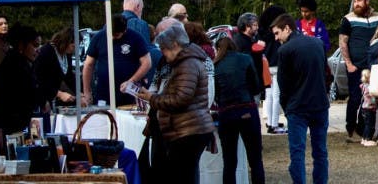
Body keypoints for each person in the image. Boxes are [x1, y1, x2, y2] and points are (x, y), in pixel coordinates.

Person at [133, 21, 214, 184]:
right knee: (184, 175)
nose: (162, 53)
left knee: (183, 176)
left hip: (188, 130)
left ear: (175, 45)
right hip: (188, 128)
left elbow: (180, 99)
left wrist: (151, 98)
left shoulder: (188, 64)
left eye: (164, 49)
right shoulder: (186, 62)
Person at [272, 13, 329, 184]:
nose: (276, 38)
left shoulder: (285, 50)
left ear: (287, 28)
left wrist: (287, 106)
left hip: (298, 108)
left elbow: (284, 83)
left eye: (277, 33)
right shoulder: (317, 43)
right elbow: (326, 73)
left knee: (297, 153)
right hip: (319, 105)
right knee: (320, 152)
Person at [213, 36, 265, 184]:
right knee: (255, 159)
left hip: (227, 112)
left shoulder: (216, 65)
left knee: (229, 162)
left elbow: (216, 93)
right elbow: (255, 86)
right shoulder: (245, 59)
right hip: (246, 108)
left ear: (218, 49)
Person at [338, 0, 378, 143]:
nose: (356, 3)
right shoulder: (348, 20)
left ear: (367, 1)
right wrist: (349, 64)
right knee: (355, 98)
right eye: (354, 1)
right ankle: (350, 128)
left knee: (370, 98)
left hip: (373, 67)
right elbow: (343, 42)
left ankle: (363, 128)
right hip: (355, 66)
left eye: (359, 0)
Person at [82, 13, 152, 107]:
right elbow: (88, 65)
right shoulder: (98, 38)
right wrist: (87, 91)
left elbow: (147, 63)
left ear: (124, 30)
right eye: (111, 33)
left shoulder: (135, 38)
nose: (112, 37)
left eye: (116, 35)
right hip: (104, 93)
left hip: (128, 94)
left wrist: (131, 81)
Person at [0, 24, 41, 135]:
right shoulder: (14, 66)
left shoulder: (23, 63)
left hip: (13, 125)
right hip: (6, 127)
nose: (38, 50)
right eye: (35, 46)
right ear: (21, 45)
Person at [258, 5, 287, 135]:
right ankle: (274, 124)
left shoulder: (261, 31)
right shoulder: (276, 31)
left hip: (266, 64)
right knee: (277, 95)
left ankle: (270, 122)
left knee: (268, 95)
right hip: (277, 64)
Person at [34, 27, 76, 108]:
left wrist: (79, 93)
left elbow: (69, 77)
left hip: (53, 98)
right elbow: (40, 80)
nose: (74, 50)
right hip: (41, 98)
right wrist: (59, 94)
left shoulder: (66, 54)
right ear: (66, 42)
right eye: (73, 46)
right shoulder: (47, 52)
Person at [123, 0, 160, 82]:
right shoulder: (138, 24)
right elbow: (144, 53)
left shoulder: (109, 24)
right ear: (138, 6)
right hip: (133, 78)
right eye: (142, 9)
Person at [234, 13, 265, 97]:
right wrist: (258, 48)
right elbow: (246, 61)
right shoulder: (240, 41)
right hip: (247, 88)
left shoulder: (250, 39)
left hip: (252, 86)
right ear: (247, 26)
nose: (257, 28)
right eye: (254, 25)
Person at [357, 69, 378, 147]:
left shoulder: (363, 85)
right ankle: (368, 139)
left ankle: (363, 138)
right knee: (370, 124)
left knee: (366, 124)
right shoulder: (370, 87)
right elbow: (372, 97)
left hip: (364, 108)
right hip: (369, 108)